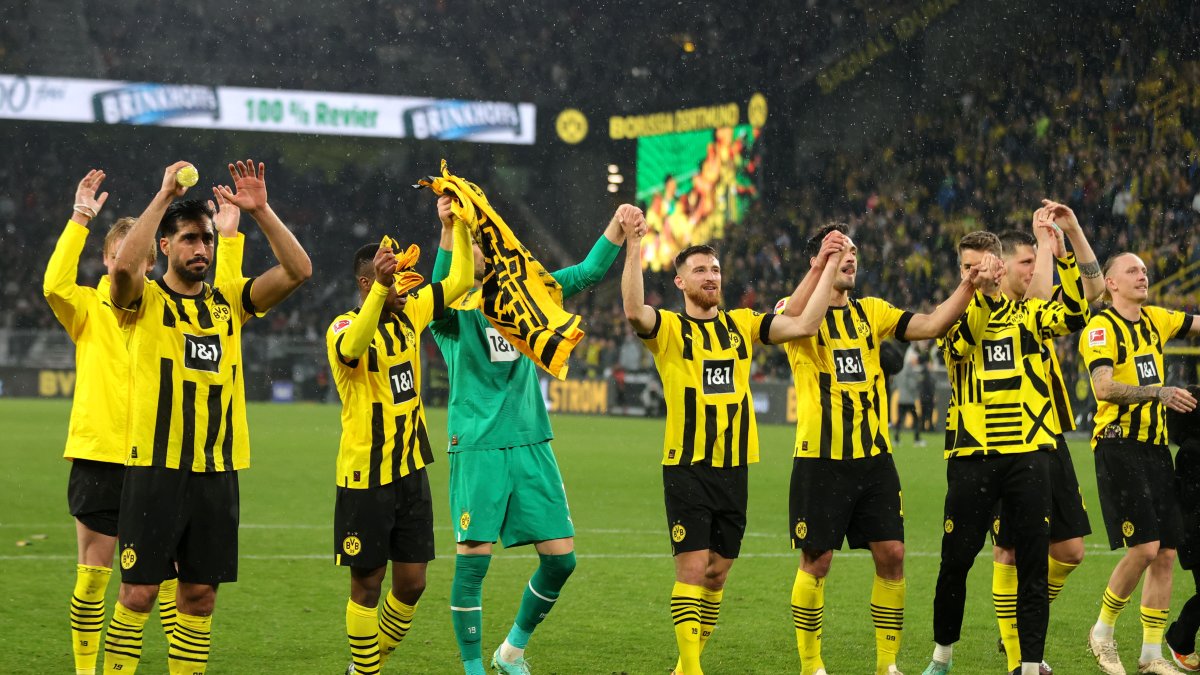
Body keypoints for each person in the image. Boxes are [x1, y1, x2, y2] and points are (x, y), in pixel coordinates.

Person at [101, 159, 311, 674]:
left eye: (207, 240)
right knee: (139, 593)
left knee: (198, 597)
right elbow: (124, 270)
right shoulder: (143, 302)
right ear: (165, 247)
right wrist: (161, 196)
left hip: (217, 473)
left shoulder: (228, 304)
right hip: (156, 468)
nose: (202, 249)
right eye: (190, 239)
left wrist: (260, 211)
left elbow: (298, 271)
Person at [43, 169, 243, 675]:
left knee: (177, 580)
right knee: (96, 576)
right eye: (116, 259)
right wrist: (80, 218)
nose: (124, 267)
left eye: (137, 259)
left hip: (161, 457)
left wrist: (233, 235)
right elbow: (52, 283)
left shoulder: (162, 305)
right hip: (102, 453)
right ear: (108, 261)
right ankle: (88, 670)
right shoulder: (88, 307)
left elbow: (225, 304)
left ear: (152, 261)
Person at [429, 201, 640, 675]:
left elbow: (585, 274)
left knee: (562, 562)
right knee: (472, 565)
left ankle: (511, 651)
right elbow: (439, 286)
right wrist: (447, 228)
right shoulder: (448, 312)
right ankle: (473, 669)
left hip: (531, 443)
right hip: (478, 446)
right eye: (472, 244)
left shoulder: (528, 297)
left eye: (481, 242)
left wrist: (617, 227)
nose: (480, 250)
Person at [621, 230, 843, 675]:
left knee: (717, 573)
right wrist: (633, 245)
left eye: (715, 269)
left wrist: (824, 267)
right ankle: (691, 669)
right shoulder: (667, 329)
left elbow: (800, 324)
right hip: (686, 465)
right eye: (699, 270)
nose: (710, 277)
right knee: (692, 567)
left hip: (734, 467)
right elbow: (632, 309)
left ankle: (685, 666)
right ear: (680, 282)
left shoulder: (741, 325)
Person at [775, 223, 980, 675]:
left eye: (852, 250)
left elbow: (930, 324)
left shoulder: (872, 312)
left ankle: (887, 665)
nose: (849, 258)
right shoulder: (796, 311)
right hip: (820, 458)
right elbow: (790, 314)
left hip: (874, 460)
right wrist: (820, 266)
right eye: (837, 252)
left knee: (893, 554)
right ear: (817, 261)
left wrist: (967, 284)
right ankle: (812, 666)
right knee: (818, 559)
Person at [922, 227, 1086, 675]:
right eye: (967, 268)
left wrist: (1061, 249)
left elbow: (1074, 314)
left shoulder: (1029, 314)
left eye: (982, 265)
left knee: (1033, 563)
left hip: (1028, 455)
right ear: (962, 271)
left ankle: (1028, 664)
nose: (976, 273)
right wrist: (981, 292)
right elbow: (964, 343)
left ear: (999, 263)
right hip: (972, 456)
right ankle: (943, 656)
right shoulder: (951, 317)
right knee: (955, 560)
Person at [327, 195, 473, 675]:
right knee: (366, 586)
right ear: (368, 282)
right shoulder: (343, 325)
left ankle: (368, 662)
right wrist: (380, 290)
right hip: (365, 476)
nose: (407, 285)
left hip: (410, 472)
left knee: (411, 584)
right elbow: (353, 348)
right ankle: (366, 671)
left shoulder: (410, 312)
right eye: (395, 279)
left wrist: (459, 226)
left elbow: (460, 280)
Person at [989, 203, 1103, 675]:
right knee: (1009, 550)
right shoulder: (999, 310)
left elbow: (1093, 293)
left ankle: (1022, 616)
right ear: (1003, 270)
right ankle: (1017, 654)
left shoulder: (1041, 309)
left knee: (1071, 550)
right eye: (1026, 263)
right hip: (1006, 439)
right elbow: (1039, 296)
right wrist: (1044, 245)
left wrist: (1070, 236)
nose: (1035, 272)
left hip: (1050, 435)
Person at [1079, 251, 1200, 675]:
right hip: (1118, 445)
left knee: (1166, 553)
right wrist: (1158, 393)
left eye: (1145, 270)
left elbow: (1197, 323)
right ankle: (1102, 630)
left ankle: (1151, 655)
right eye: (1132, 270)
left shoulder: (1156, 320)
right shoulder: (1100, 328)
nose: (1142, 274)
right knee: (1145, 547)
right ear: (1110, 283)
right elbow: (1104, 388)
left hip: (1154, 449)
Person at [1165, 385, 1200, 672]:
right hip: (1196, 536)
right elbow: (1190, 500)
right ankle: (1179, 639)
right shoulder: (1191, 451)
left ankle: (1181, 639)